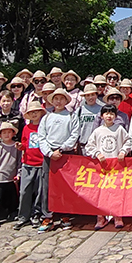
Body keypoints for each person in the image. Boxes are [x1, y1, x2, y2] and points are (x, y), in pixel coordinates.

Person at [36, 88, 80, 233]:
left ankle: (65, 214)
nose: (59, 101)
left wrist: (62, 149)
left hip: (65, 154)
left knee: (65, 186)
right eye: (56, 99)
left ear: (66, 100)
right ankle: (47, 216)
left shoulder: (72, 116)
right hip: (49, 155)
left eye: (61, 98)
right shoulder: (46, 117)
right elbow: (41, 137)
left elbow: (74, 134)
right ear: (52, 101)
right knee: (47, 186)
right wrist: (49, 152)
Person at [86, 104, 132, 229]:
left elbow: (128, 141)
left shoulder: (119, 129)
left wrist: (123, 151)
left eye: (112, 114)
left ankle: (118, 216)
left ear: (116, 116)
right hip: (102, 167)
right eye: (106, 113)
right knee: (101, 193)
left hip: (116, 166)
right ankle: (101, 217)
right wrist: (97, 153)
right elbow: (89, 146)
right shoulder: (97, 131)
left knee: (116, 191)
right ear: (101, 116)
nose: (109, 116)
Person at [14, 102, 46, 230]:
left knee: (39, 191)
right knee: (24, 191)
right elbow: (24, 144)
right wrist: (20, 147)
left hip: (41, 163)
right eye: (31, 112)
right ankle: (23, 216)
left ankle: (36, 214)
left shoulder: (44, 127)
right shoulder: (26, 128)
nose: (34, 114)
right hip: (27, 163)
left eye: (36, 111)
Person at [0, 122, 21, 226]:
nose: (7, 135)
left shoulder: (16, 146)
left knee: (12, 198)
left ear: (13, 133)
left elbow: (19, 161)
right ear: (0, 135)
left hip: (12, 177)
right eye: (4, 133)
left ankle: (12, 213)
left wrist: (19, 173)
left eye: (9, 132)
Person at [73, 83, 105, 154]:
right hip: (83, 146)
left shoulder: (102, 109)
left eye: (93, 95)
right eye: (88, 95)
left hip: (98, 146)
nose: (90, 97)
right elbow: (75, 128)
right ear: (84, 97)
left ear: (96, 95)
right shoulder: (79, 110)